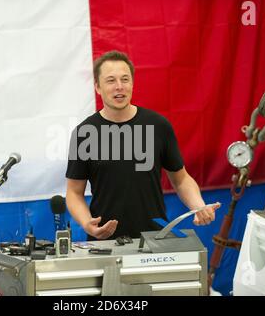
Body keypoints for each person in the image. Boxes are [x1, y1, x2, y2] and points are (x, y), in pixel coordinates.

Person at [66, 50, 220, 240]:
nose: (119, 87)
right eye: (111, 80)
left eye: (125, 79)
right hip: (105, 244)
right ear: (97, 87)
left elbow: (180, 179)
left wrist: (198, 205)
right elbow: (74, 192)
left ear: (132, 83)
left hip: (154, 240)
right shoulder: (84, 133)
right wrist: (86, 223)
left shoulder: (158, 125)